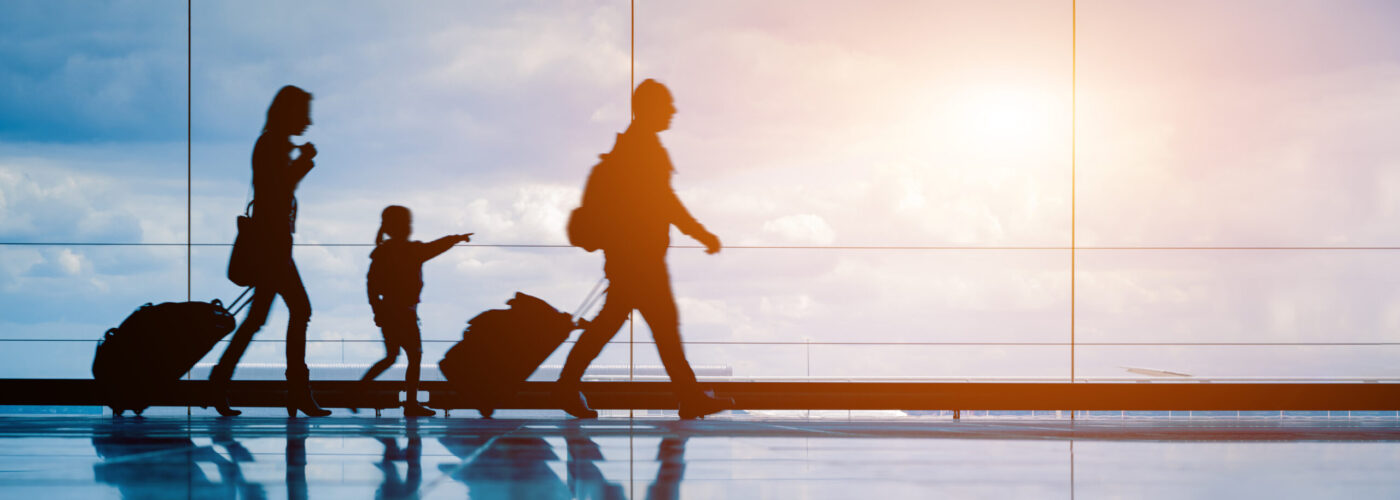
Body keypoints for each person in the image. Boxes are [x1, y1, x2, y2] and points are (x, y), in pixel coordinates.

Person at [557, 79, 730, 419]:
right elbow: (666, 203)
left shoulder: (632, 148)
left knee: (617, 326)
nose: (673, 111)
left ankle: (566, 387)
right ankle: (689, 397)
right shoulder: (644, 150)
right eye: (667, 105)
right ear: (649, 108)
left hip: (629, 258)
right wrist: (701, 234)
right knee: (660, 326)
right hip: (641, 260)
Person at [209, 85, 330, 417]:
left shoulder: (271, 143)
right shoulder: (273, 144)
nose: (308, 121)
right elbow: (278, 190)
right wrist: (304, 161)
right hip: (273, 248)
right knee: (300, 310)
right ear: (289, 113)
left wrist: (300, 160)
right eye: (304, 113)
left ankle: (220, 383)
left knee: (257, 319)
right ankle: (297, 393)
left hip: (271, 247)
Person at [362, 205, 473, 417]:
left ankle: (359, 390)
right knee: (414, 356)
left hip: (389, 311)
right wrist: (456, 238)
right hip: (404, 313)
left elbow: (371, 286)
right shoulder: (411, 251)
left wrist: (377, 311)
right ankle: (410, 403)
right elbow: (436, 247)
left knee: (392, 356)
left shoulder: (382, 253)